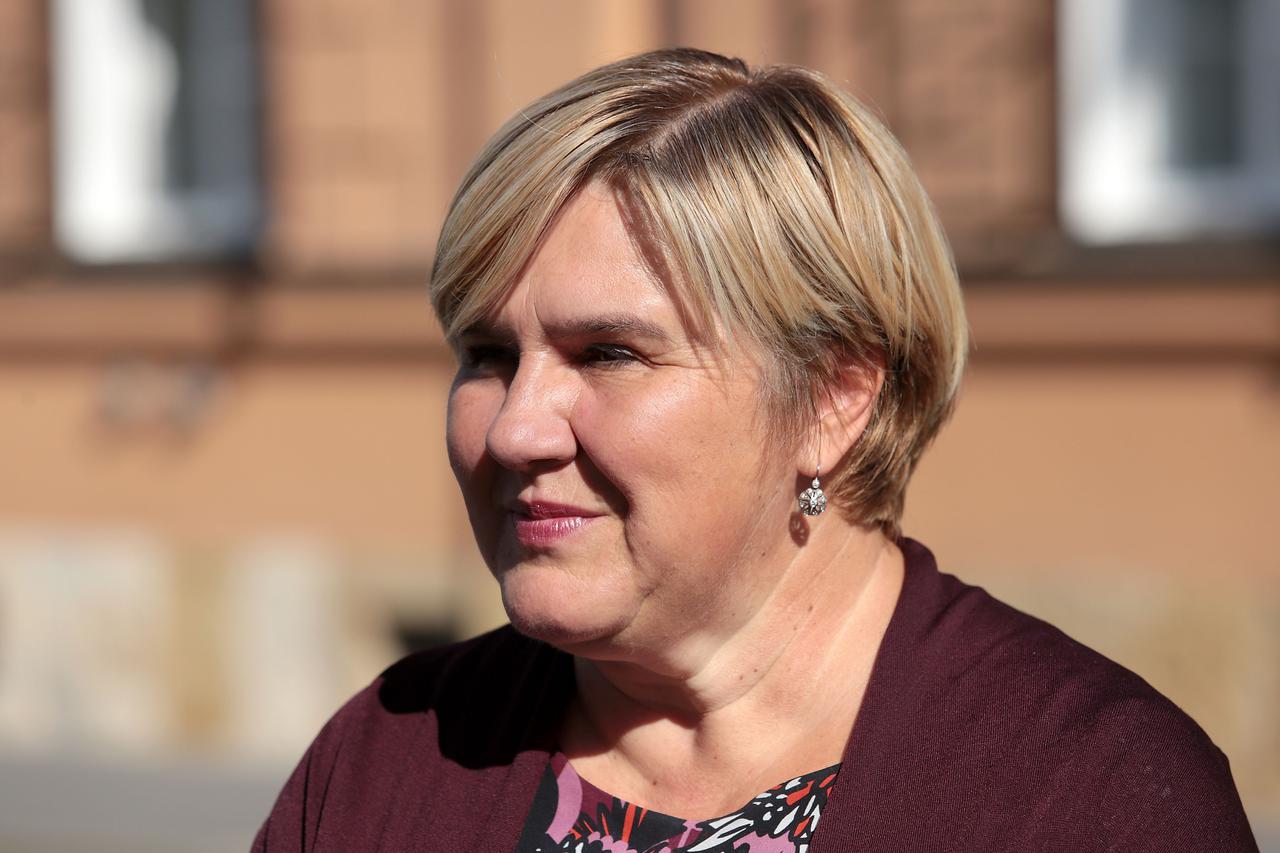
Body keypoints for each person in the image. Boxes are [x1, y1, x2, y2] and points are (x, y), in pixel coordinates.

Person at [253, 48, 1257, 852]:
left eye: (608, 353)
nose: (517, 427)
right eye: (487, 354)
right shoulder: (393, 753)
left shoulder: (1087, 796)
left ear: (831, 399)